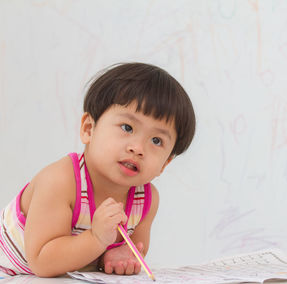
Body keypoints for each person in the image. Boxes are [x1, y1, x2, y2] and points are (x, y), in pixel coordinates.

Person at [0, 62, 196, 277]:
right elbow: (41, 262)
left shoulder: (146, 201)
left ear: (165, 163)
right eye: (127, 128)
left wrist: (116, 257)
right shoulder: (60, 181)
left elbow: (135, 250)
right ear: (88, 129)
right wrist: (96, 238)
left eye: (156, 140)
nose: (138, 148)